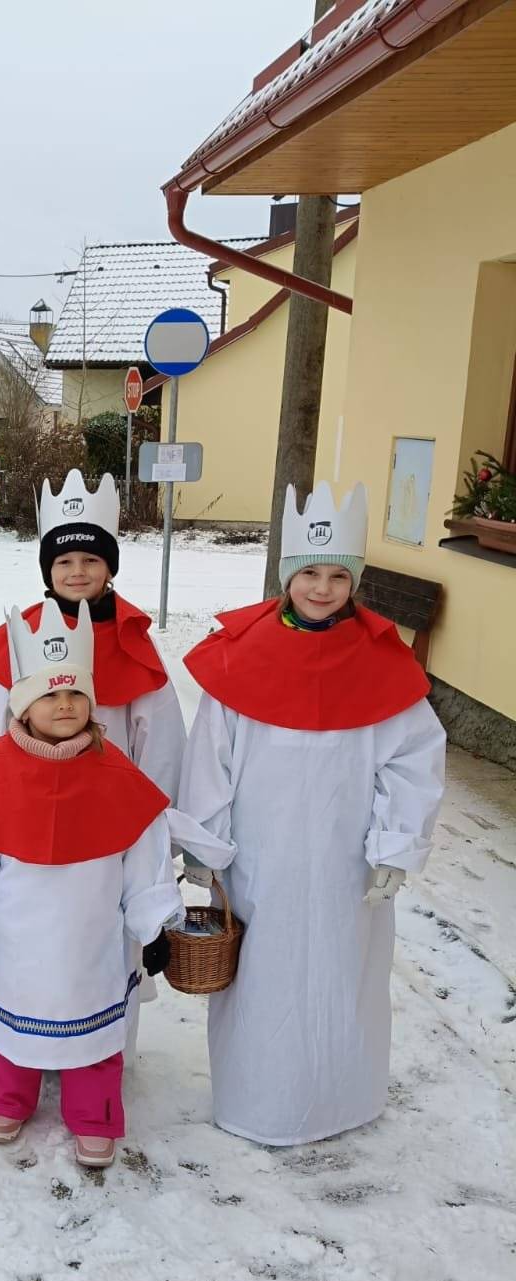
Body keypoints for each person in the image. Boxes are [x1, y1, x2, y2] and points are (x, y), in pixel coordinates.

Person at [177, 481, 446, 1146]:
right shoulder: (242, 656)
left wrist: (395, 844)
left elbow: (412, 758)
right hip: (260, 860)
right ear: (287, 576)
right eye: (309, 574)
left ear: (354, 581)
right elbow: (212, 758)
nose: (323, 589)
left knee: (341, 976)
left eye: (338, 576)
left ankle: (339, 1099)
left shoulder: (381, 663)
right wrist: (204, 846)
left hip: (344, 863)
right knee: (262, 983)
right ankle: (259, 1101)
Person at [0, 600, 183, 1168]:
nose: (64, 705)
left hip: (90, 941)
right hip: (14, 939)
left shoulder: (118, 776)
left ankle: (95, 1114)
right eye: (49, 695)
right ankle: (6, 1098)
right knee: (10, 1028)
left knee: (94, 1037)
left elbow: (143, 859)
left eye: (75, 695)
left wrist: (154, 925)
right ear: (22, 705)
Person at [0, 469, 185, 1063]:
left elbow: (159, 744)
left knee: (105, 945)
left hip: (109, 828)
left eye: (90, 559)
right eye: (63, 561)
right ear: (47, 570)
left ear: (110, 566)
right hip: (25, 827)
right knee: (26, 944)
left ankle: (104, 1054)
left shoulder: (134, 646)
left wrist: (154, 829)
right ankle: (22, 1053)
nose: (77, 571)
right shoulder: (23, 643)